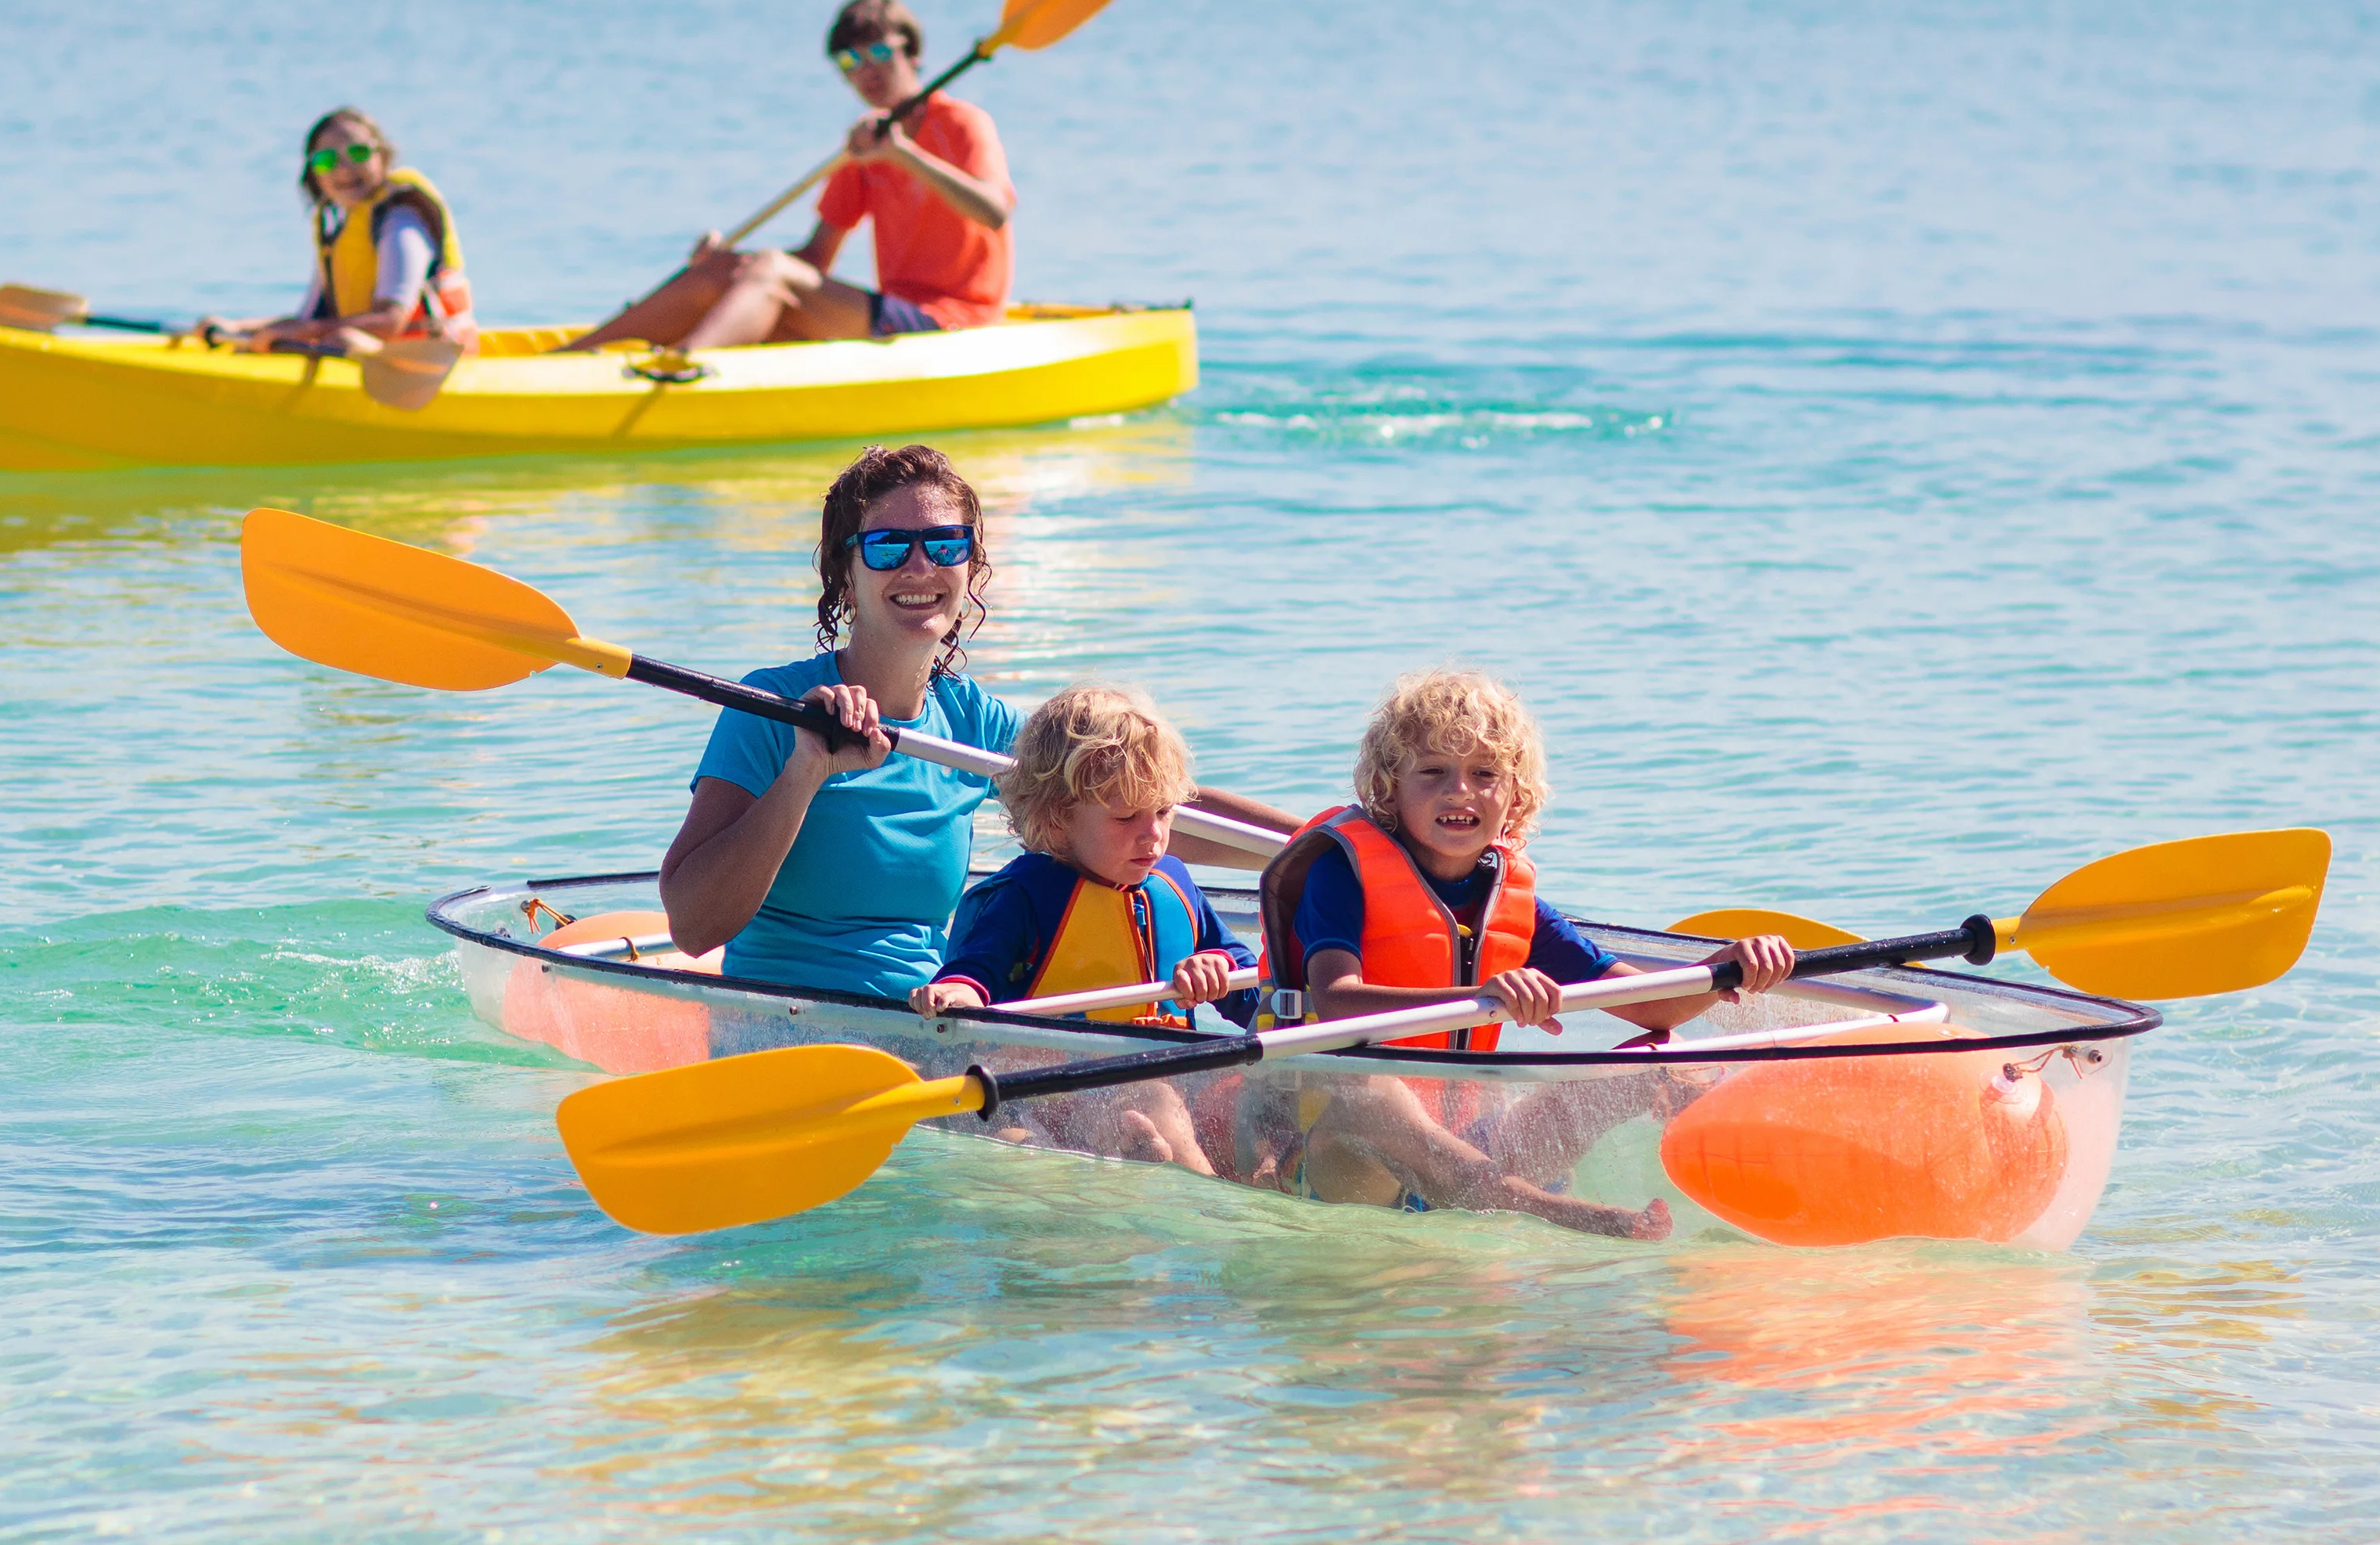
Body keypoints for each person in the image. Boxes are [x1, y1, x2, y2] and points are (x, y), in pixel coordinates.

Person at [659, 445, 1287, 1002]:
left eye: (945, 544)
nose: (919, 567)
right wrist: (804, 773)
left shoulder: (972, 720)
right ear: (844, 578)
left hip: (935, 1016)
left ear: (970, 567)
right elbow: (693, 929)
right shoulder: (770, 707)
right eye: (886, 547)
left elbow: (1135, 805)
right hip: (791, 1020)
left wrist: (1320, 845)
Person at [1241, 670, 1798, 1238]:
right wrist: (1479, 997)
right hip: (1336, 1163)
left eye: (1484, 774)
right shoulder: (1341, 875)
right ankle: (1553, 1213)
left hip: (1464, 1151)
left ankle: (1770, 1178)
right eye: (1433, 772)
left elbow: (1650, 1008)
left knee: (1654, 1058)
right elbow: (1336, 1004)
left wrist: (1725, 968)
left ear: (1515, 795)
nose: (1459, 791)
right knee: (1373, 1095)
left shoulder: (1514, 903)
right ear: (1389, 788)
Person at [915, 684, 1251, 1174]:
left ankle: (1158, 1157)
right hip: (1048, 1087)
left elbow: (1251, 988)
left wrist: (1218, 966)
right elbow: (974, 972)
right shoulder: (1024, 896)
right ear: (1057, 820)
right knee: (1152, 1102)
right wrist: (957, 995)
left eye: (1163, 810)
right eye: (1126, 816)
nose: (1153, 833)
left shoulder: (1175, 885)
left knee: (1225, 1101)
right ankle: (1214, 1209)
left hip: (1160, 1080)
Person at [575, 0, 1014, 356]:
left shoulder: (962, 123)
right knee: (733, 267)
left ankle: (680, 370)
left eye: (879, 52)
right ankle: (576, 356)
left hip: (957, 323)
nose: (866, 70)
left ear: (912, 53)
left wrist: (906, 156)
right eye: (849, 61)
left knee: (769, 269)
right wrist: (733, 266)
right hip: (891, 313)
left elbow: (993, 212)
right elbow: (816, 258)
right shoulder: (865, 147)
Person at [188, 108, 478, 409]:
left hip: (429, 370)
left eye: (358, 152)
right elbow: (309, 320)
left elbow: (391, 320)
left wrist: (302, 332)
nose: (344, 169)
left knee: (346, 338)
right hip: (374, 361)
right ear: (314, 175)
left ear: (384, 156)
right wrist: (238, 328)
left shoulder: (401, 221)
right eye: (326, 160)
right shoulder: (339, 233)